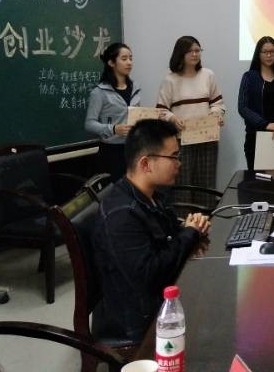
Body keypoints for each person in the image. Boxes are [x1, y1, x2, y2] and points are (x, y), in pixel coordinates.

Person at [93, 118, 211, 343]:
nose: (179, 163)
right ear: (146, 163)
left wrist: (189, 227)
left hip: (158, 296)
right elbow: (151, 276)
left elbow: (168, 237)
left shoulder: (151, 195)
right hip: (138, 319)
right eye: (173, 157)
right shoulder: (121, 215)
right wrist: (190, 233)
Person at [157, 36, 225, 189]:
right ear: (180, 53)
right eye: (190, 51)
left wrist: (216, 113)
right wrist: (172, 118)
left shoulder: (208, 75)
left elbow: (217, 103)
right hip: (181, 141)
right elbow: (161, 111)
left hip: (207, 139)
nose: (195, 54)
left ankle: (205, 207)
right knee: (182, 185)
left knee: (206, 186)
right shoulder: (170, 80)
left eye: (197, 50)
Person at [85, 42, 145, 181]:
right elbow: (89, 124)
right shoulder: (100, 92)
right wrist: (113, 129)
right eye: (124, 59)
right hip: (111, 152)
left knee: (134, 189)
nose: (129, 62)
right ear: (111, 62)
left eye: (130, 58)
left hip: (134, 149)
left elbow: (137, 115)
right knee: (115, 191)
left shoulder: (135, 88)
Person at [237, 36, 274, 170]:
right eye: (265, 52)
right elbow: (242, 107)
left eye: (272, 51)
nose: (269, 55)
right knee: (257, 178)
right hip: (256, 135)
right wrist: (266, 124)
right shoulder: (249, 76)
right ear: (258, 54)